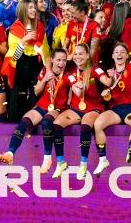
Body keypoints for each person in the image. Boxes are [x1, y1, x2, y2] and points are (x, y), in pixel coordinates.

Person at [0, 49, 73, 167]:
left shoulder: (69, 74)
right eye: (58, 60)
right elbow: (37, 92)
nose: (61, 63)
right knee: (24, 121)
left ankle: (47, 158)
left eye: (64, 60)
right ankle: (10, 153)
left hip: (58, 108)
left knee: (46, 122)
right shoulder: (45, 71)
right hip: (43, 105)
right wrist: (45, 79)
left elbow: (70, 97)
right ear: (52, 60)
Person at [51, 44, 112, 179]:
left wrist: (110, 77)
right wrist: (77, 87)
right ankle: (60, 162)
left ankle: (83, 165)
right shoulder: (71, 71)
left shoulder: (95, 69)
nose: (78, 57)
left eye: (81, 54)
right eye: (76, 54)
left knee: (85, 126)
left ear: (88, 55)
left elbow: (107, 82)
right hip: (76, 108)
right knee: (56, 125)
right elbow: (76, 90)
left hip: (93, 108)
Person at [92, 40, 131, 175]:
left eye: (122, 52)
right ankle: (102, 159)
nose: (119, 54)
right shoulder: (109, 75)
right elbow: (109, 99)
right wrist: (106, 95)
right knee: (98, 124)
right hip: (116, 109)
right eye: (117, 52)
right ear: (113, 56)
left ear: (127, 56)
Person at [1, 0, 51, 122]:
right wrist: (24, 40)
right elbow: (14, 56)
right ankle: (14, 126)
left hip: (36, 64)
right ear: (23, 10)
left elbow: (46, 51)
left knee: (36, 96)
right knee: (16, 97)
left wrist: (49, 71)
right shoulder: (15, 28)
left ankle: (33, 123)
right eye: (30, 8)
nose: (34, 10)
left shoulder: (40, 26)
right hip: (19, 65)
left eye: (34, 7)